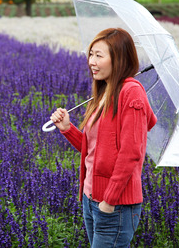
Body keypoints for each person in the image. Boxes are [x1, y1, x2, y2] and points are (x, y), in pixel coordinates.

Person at [50, 28, 157, 247]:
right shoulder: (105, 92)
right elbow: (94, 149)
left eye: (99, 55)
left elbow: (131, 153)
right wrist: (67, 128)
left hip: (114, 205)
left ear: (119, 59)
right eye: (91, 54)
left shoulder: (131, 93)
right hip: (91, 199)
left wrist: (109, 200)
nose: (92, 61)